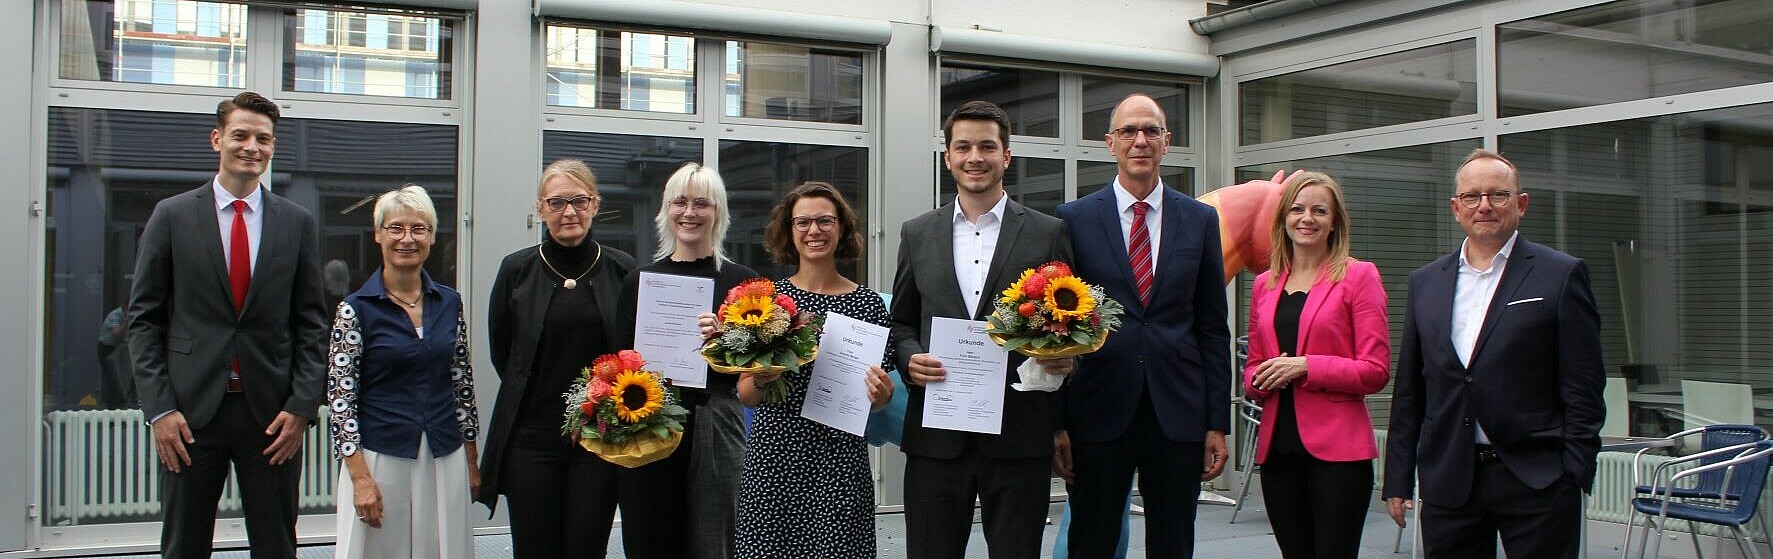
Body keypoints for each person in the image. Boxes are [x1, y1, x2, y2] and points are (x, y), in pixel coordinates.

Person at [126, 91, 327, 558]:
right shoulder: (172, 216)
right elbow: (143, 320)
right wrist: (159, 410)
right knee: (184, 545)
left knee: (277, 544)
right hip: (189, 416)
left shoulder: (295, 223)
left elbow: (313, 323)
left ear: (273, 147)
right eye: (240, 135)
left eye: (264, 138)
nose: (251, 146)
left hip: (272, 417)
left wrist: (301, 407)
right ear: (217, 139)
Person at [1383, 148, 1604, 558]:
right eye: (1472, 196)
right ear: (1456, 208)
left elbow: (1584, 385)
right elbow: (1411, 389)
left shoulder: (1560, 274)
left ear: (1521, 203)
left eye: (1497, 195)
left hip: (1537, 480)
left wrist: (1574, 471)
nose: (1484, 206)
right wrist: (1397, 477)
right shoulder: (1426, 282)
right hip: (1451, 480)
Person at [889, 100, 1075, 558]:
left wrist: (1062, 364)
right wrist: (909, 358)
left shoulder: (1047, 232)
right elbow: (901, 321)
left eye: (987, 146)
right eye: (964, 146)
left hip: (1018, 433)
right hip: (937, 438)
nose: (976, 157)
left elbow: (1070, 325)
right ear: (948, 157)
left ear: (1006, 156)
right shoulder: (917, 233)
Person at [1052, 93, 1231, 559]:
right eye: (1129, 131)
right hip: (1097, 410)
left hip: (1178, 413)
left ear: (1167, 142)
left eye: (1151, 130)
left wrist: (1217, 422)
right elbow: (1057, 330)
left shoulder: (1200, 220)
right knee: (1090, 541)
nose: (1140, 140)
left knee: (1173, 542)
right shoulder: (1072, 220)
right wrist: (1058, 424)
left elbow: (1213, 327)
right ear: (1109, 142)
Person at [476, 159, 645, 557]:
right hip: (531, 441)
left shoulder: (624, 270)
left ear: (595, 205)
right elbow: (504, 354)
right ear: (540, 209)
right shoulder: (516, 270)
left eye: (579, 200)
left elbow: (636, 354)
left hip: (600, 442)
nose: (569, 211)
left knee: (587, 548)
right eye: (556, 202)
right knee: (534, 549)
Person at [728, 182, 895, 558]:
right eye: (802, 222)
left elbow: (877, 401)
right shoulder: (766, 300)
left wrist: (882, 396)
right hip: (775, 458)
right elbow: (746, 393)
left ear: (842, 229)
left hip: (839, 461)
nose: (813, 231)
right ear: (788, 230)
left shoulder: (869, 303)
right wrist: (760, 377)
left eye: (824, 221)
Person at [616, 162, 761, 559]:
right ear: (666, 209)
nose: (690, 213)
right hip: (650, 420)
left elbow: (757, 371)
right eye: (680, 202)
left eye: (702, 203)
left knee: (714, 542)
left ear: (719, 212)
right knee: (650, 535)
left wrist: (723, 341)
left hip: (715, 422)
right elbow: (621, 360)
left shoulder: (742, 283)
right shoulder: (641, 279)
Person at [1241, 172, 1390, 559]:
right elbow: (1253, 367)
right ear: (1283, 219)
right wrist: (1258, 379)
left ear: (1334, 220)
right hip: (1278, 451)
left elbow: (1375, 370)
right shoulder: (1264, 285)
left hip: (1339, 455)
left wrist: (1308, 366)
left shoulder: (1359, 277)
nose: (1307, 218)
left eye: (1319, 210)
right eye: (1297, 209)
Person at [326, 185, 479, 558]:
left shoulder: (449, 302)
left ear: (431, 236)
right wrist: (360, 478)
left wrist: (472, 463)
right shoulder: (355, 309)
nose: (407, 239)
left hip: (444, 455)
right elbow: (340, 399)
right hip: (381, 457)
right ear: (378, 235)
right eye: (396, 228)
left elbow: (462, 383)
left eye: (419, 228)